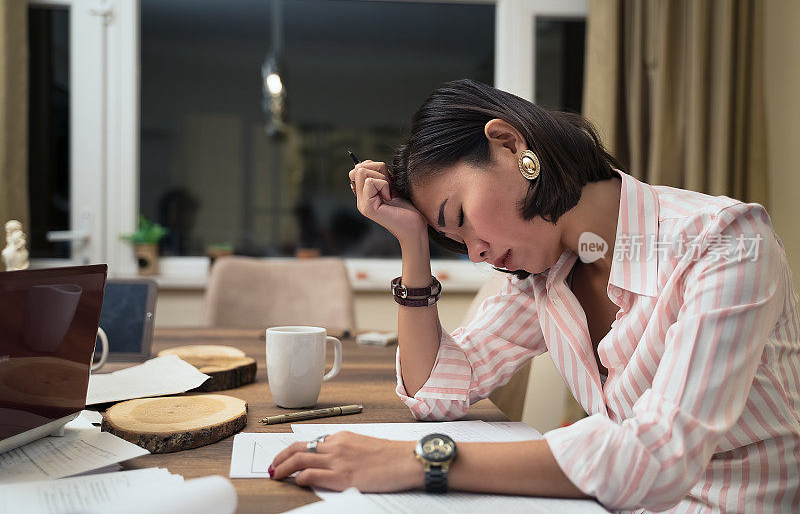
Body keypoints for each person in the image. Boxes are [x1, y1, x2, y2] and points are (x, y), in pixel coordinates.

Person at [269, 79, 800, 511]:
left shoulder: (725, 243)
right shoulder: (548, 270)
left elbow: (658, 457)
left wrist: (422, 460)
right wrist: (413, 244)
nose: (475, 253)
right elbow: (437, 391)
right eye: (456, 242)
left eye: (460, 219)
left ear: (509, 143)